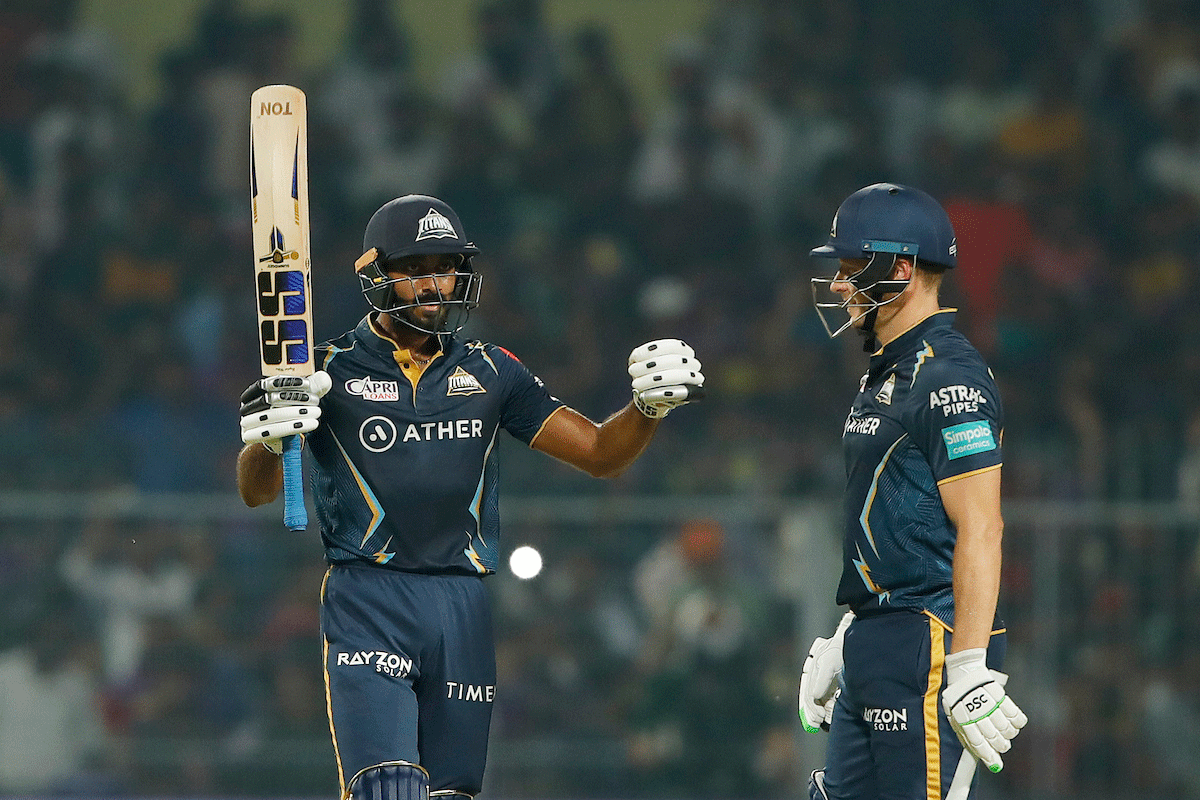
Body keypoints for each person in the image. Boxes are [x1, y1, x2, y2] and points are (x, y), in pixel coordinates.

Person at [235, 194, 704, 800]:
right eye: (416, 268)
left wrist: (646, 409)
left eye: (447, 265)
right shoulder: (324, 369)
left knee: (449, 794)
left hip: (462, 604)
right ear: (377, 273)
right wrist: (271, 440)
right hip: (369, 597)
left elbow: (599, 453)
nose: (436, 284)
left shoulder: (492, 370)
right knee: (389, 789)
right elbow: (255, 492)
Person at [797, 183, 1026, 800]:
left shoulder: (948, 377)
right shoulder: (890, 370)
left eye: (852, 268)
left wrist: (970, 665)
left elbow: (983, 526)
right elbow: (896, 526)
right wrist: (852, 634)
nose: (840, 286)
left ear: (900, 268)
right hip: (884, 637)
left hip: (930, 644)